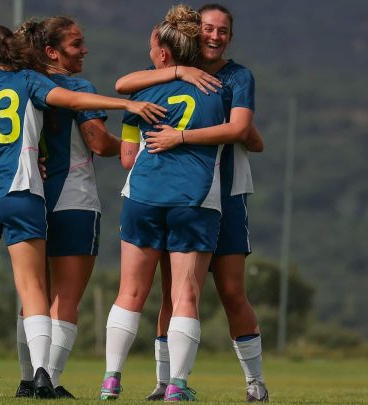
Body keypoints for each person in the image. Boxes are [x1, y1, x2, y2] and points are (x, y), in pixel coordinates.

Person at [0, 25, 165, 399]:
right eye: (76, 43)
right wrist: (131, 122)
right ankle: (43, 376)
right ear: (49, 51)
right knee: (53, 295)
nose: (85, 49)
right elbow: (97, 141)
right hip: (52, 195)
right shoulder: (42, 85)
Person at [114, 3, 268, 402]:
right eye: (209, 29)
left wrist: (188, 137)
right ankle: (167, 382)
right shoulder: (174, 73)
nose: (215, 36)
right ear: (195, 33)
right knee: (174, 292)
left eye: (223, 31)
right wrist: (180, 72)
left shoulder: (238, 76)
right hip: (181, 194)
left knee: (232, 290)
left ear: (231, 37)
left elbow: (242, 129)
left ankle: (255, 382)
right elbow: (126, 85)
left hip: (226, 193)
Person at [99, 5, 226, 401]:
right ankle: (177, 386)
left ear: (165, 54)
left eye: (153, 46)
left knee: (130, 293)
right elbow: (245, 132)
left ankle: (111, 380)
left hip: (143, 195)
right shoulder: (218, 89)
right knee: (184, 296)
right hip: (196, 196)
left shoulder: (142, 91)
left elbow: (127, 158)